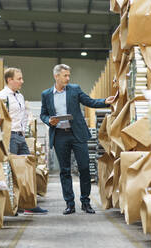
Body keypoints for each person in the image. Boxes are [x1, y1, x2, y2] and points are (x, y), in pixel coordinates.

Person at [40, 64, 115, 215]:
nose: (68, 78)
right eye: (65, 75)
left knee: (84, 167)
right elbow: (43, 114)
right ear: (56, 76)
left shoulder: (75, 89)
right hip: (60, 135)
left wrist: (105, 101)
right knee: (65, 171)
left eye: (68, 75)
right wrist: (49, 120)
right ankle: (70, 204)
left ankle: (85, 202)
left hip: (77, 134)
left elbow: (89, 102)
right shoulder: (46, 94)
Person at [0, 67, 48, 215]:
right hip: (10, 137)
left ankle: (29, 203)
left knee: (28, 168)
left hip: (20, 136)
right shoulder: (1, 96)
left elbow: (25, 116)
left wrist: (24, 130)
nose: (22, 81)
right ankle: (13, 205)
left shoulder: (19, 96)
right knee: (12, 171)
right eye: (19, 79)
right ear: (9, 80)